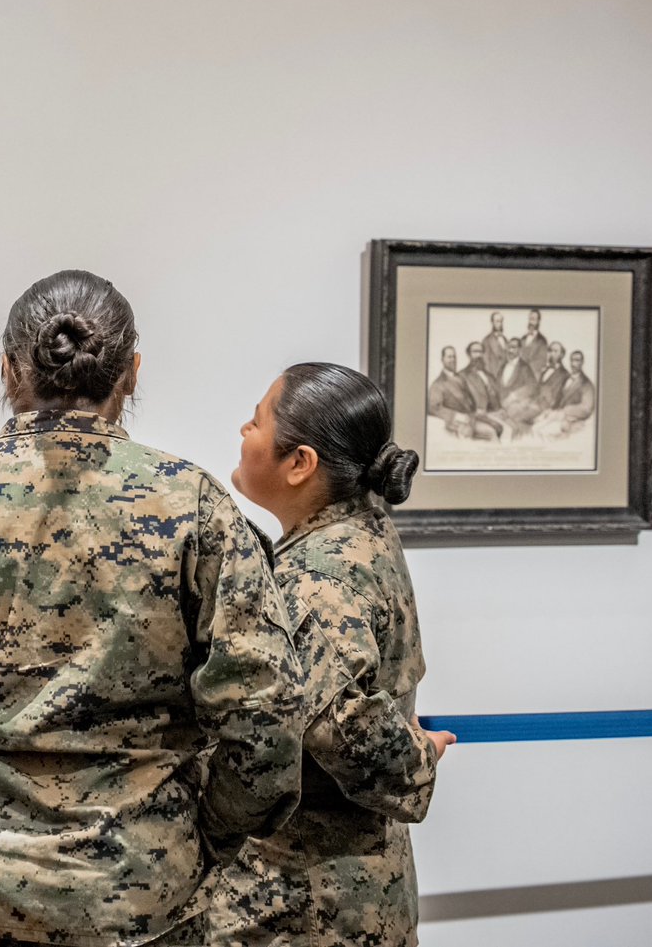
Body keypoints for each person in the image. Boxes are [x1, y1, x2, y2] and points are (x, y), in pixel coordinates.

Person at [0, 271, 305, 947]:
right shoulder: (194, 506)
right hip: (142, 893)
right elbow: (267, 720)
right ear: (131, 373)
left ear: (7, 367)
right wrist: (197, 839)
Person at [208, 363, 455, 947]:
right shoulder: (362, 530)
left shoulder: (318, 572)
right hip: (352, 888)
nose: (245, 430)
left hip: (308, 902)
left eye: (259, 421)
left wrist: (420, 756)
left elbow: (344, 727)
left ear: (300, 463)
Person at [534, 349, 596, 439]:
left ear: (582, 362)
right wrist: (550, 410)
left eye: (577, 360)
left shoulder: (586, 384)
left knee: (543, 433)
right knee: (535, 428)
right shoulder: (566, 379)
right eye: (572, 360)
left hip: (572, 420)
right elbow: (559, 399)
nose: (573, 363)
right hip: (557, 416)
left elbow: (587, 408)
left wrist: (564, 411)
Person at [519, 308, 548, 380]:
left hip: (534, 376)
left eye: (534, 319)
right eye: (530, 319)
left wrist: (526, 369)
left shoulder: (542, 340)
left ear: (538, 321)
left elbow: (541, 362)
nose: (531, 322)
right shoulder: (523, 339)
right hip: (520, 376)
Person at [481, 311, 509, 378]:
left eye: (501, 321)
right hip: (494, 376)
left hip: (505, 376)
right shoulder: (486, 340)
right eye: (497, 321)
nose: (499, 324)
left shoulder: (505, 340)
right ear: (492, 322)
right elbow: (485, 363)